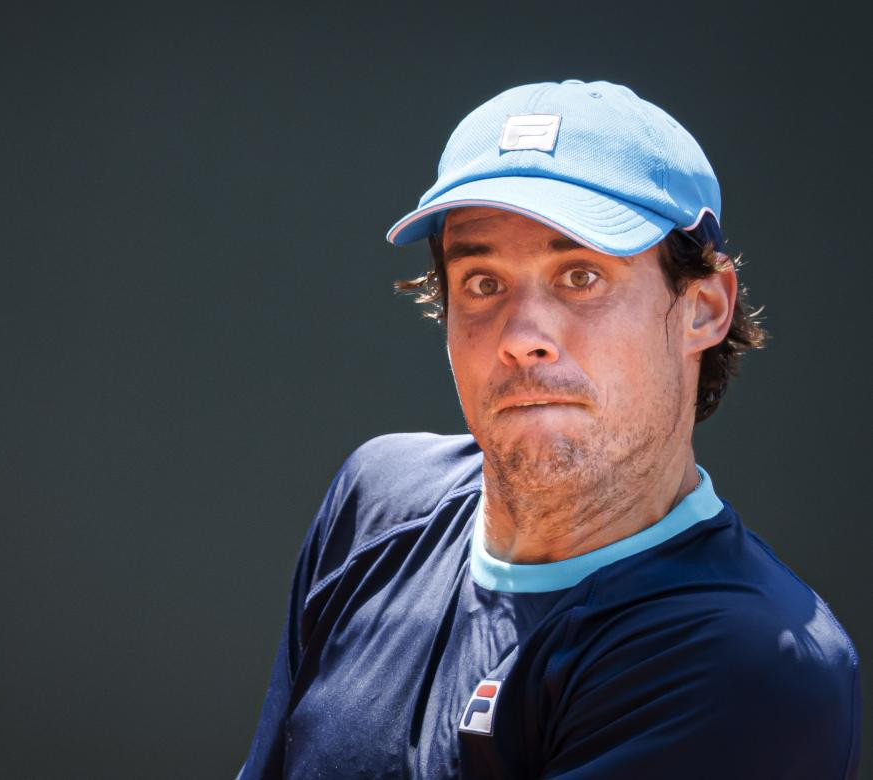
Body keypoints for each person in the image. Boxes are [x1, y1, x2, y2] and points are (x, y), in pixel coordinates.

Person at [239, 80, 861, 778]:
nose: (522, 337)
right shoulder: (378, 501)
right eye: (482, 282)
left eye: (581, 275)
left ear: (704, 309)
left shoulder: (750, 663)